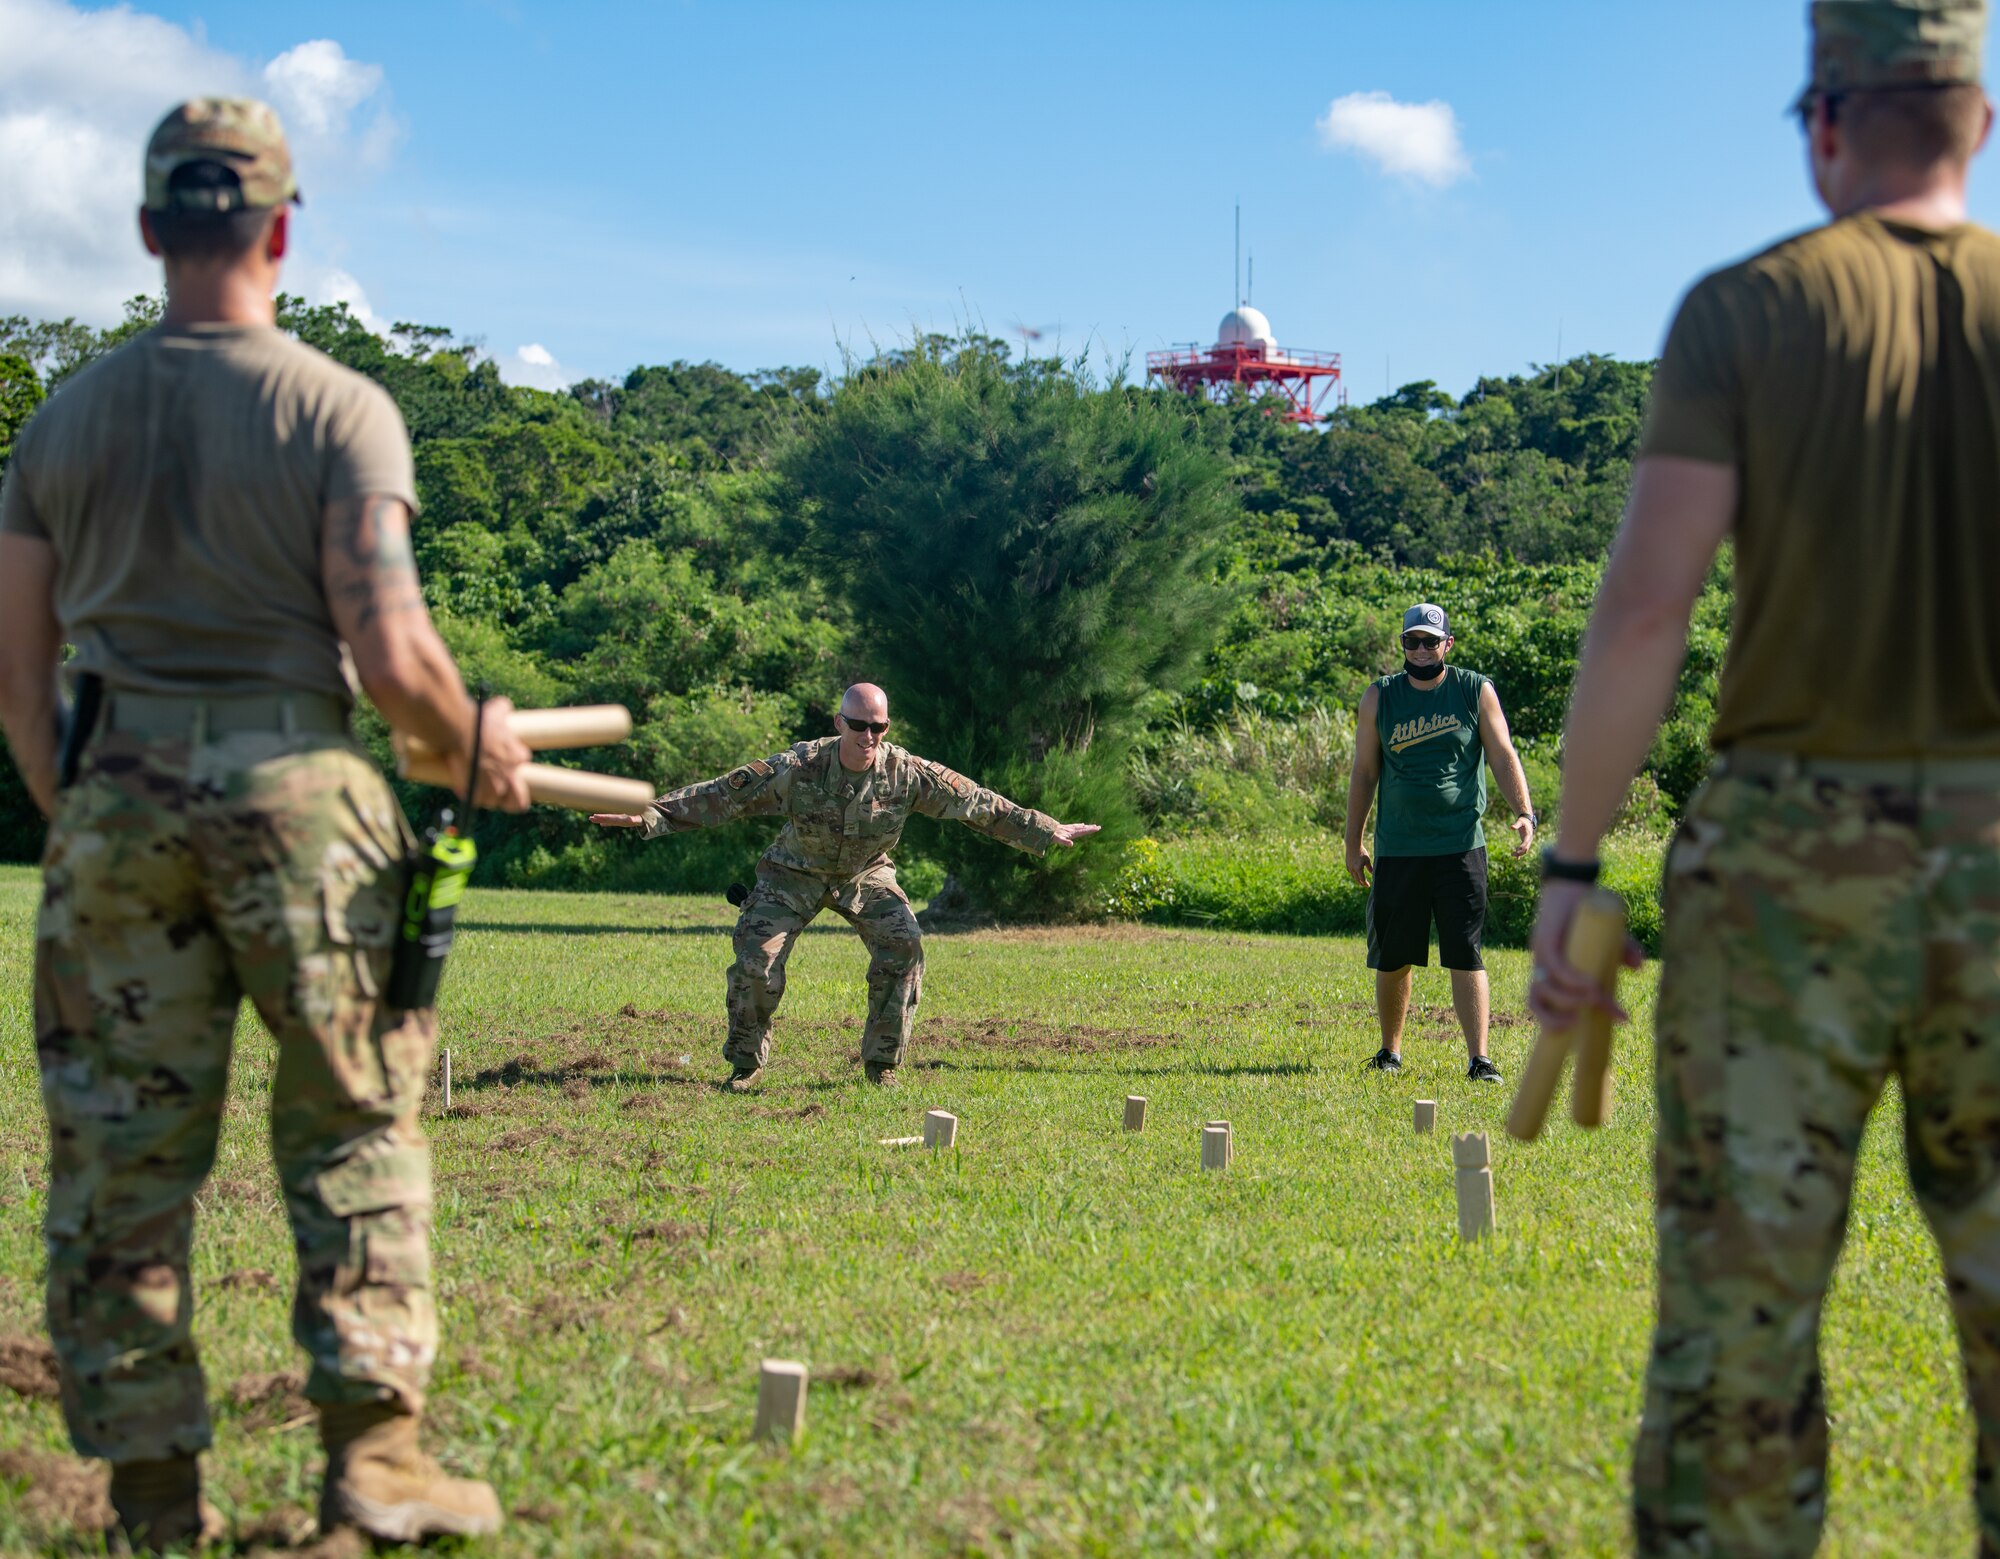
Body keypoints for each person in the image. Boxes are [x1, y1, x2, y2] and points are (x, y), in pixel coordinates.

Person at [0, 99, 533, 1549]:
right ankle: (375, 1457)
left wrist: (93, 813)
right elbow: (392, 653)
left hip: (111, 800)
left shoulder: (60, 418)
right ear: (283, 228)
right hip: (304, 801)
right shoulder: (336, 406)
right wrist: (467, 745)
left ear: (148, 227)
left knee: (119, 1162)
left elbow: (16, 678)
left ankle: (153, 1496)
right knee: (355, 1126)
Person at [1528, 2, 2000, 1549]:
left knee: (1740, 1333)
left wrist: (1575, 862)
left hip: (1788, 864)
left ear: (1823, 122)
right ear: (1979, 120)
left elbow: (1648, 607)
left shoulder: (1744, 311)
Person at [592, 682, 1099, 1089]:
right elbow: (723, 796)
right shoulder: (798, 767)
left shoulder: (907, 773)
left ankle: (883, 1065)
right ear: (839, 723)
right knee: (756, 962)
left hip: (865, 874)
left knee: (904, 948)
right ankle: (746, 1065)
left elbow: (976, 803)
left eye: (877, 726)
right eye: (858, 724)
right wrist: (651, 817)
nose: (868, 735)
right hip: (793, 873)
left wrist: (1042, 827)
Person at [1343, 603, 1537, 1082]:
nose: (1422, 649)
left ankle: (1479, 1059)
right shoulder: (1380, 697)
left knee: (1463, 951)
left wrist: (1524, 812)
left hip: (1459, 846)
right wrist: (1353, 841)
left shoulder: (1474, 690)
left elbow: (1502, 752)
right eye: (1413, 641)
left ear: (1448, 644)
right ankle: (1390, 1053)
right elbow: (1365, 772)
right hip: (1399, 847)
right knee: (1393, 954)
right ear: (1402, 644)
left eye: (1431, 641)